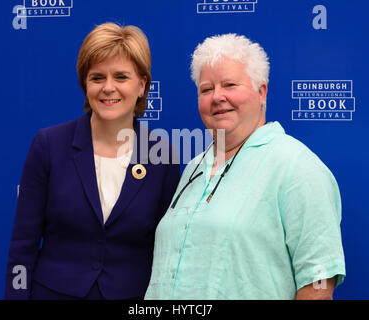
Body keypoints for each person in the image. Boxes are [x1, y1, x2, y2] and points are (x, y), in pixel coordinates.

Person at [145, 33, 346, 300]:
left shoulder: (297, 168)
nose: (217, 97)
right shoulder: (194, 168)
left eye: (229, 85)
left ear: (261, 91)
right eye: (206, 89)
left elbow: (317, 286)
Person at [5, 22, 180, 300]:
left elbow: (167, 251)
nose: (108, 88)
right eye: (97, 77)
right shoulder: (49, 145)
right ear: (85, 84)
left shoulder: (164, 156)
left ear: (142, 85)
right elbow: (23, 245)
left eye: (121, 77)